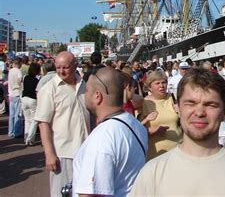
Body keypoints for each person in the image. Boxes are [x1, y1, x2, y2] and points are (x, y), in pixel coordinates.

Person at [130, 68, 225, 196]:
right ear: (178, 107)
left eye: (211, 105)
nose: (200, 112)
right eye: (190, 103)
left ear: (224, 112)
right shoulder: (151, 174)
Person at [73, 68, 147, 197]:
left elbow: (91, 194)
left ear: (97, 96)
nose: (85, 95)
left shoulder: (101, 139)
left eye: (87, 91)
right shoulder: (135, 124)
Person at [35, 51, 90, 197]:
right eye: (58, 67)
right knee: (61, 193)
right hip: (63, 153)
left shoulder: (84, 85)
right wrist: (49, 154)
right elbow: (43, 123)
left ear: (75, 66)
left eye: (65, 67)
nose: (61, 71)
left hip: (85, 151)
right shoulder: (49, 89)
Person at [140, 70, 181, 160]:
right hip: (157, 154)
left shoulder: (173, 97)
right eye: (157, 83)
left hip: (178, 149)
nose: (161, 86)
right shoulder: (144, 103)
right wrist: (152, 130)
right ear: (150, 87)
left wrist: (181, 113)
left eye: (164, 82)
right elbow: (137, 129)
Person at [21, 62, 41, 145]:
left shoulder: (25, 77)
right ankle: (30, 139)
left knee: (27, 120)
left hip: (24, 98)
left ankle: (26, 137)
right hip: (32, 100)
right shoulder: (37, 80)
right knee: (34, 120)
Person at [7, 58, 24, 138]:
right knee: (18, 114)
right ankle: (17, 132)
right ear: (19, 63)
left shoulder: (10, 71)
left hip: (11, 94)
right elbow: (20, 82)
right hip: (17, 93)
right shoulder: (18, 71)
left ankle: (11, 131)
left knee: (11, 115)